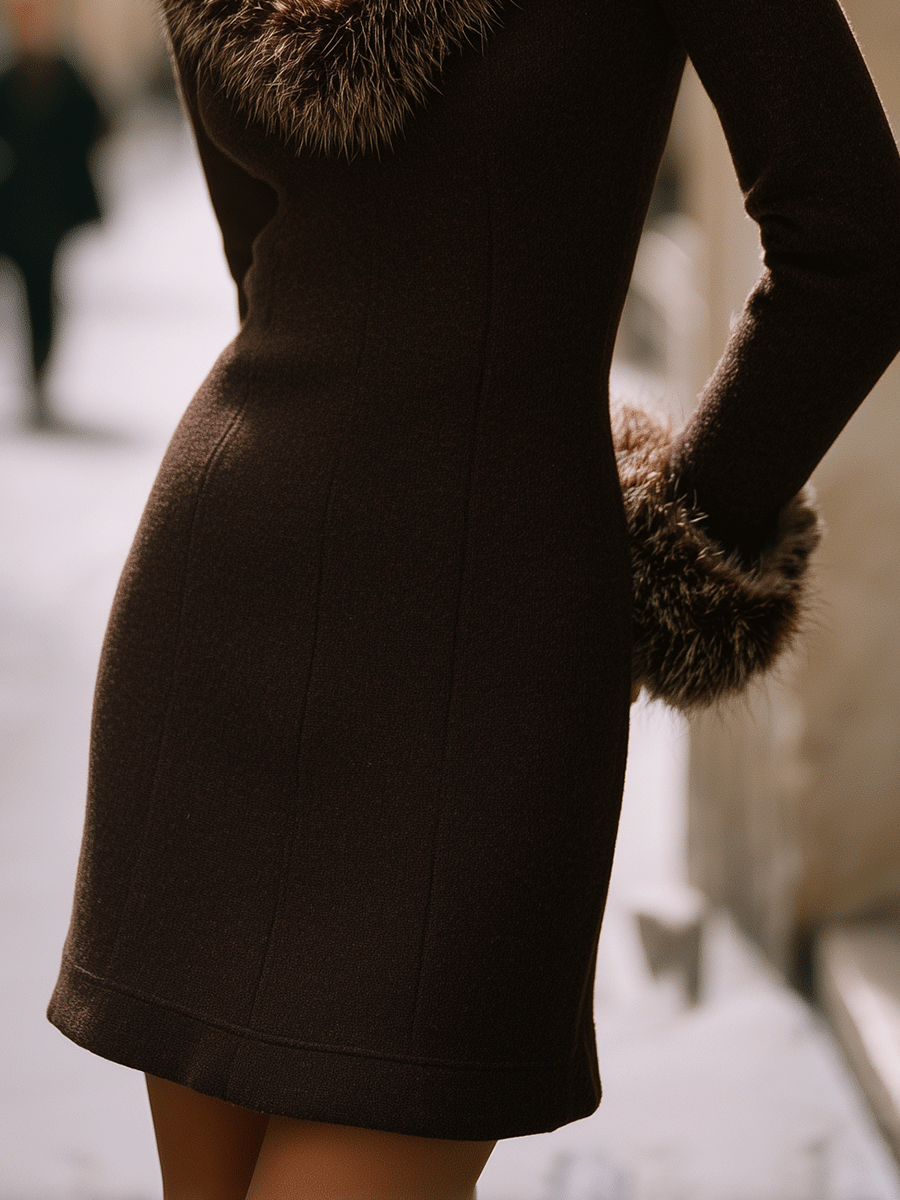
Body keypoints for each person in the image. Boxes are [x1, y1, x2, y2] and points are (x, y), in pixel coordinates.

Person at [47, 0, 900, 1195]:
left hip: (485, 667)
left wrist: (673, 534)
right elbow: (276, 271)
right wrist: (655, 538)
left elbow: (854, 245)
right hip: (227, 626)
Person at [0, 0, 104, 429]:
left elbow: (96, 126)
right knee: (28, 291)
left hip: (54, 209)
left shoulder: (70, 77)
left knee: (43, 289)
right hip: (19, 207)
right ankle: (34, 372)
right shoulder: (9, 80)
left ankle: (41, 370)